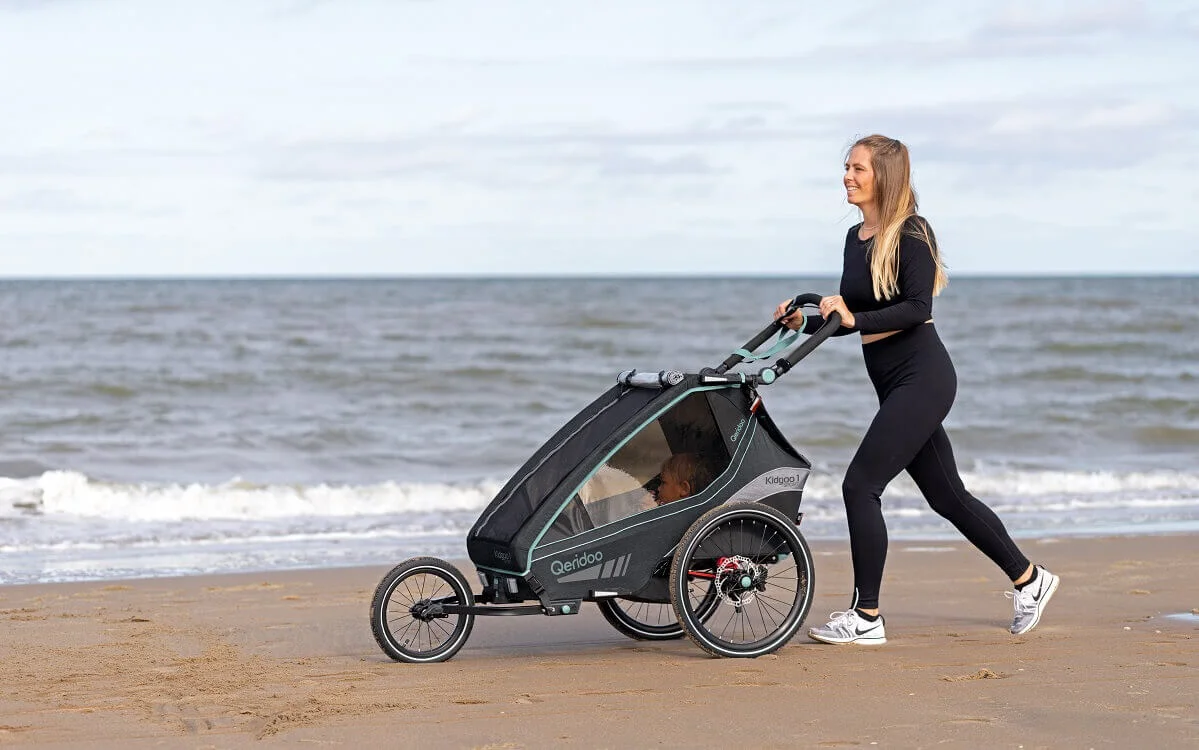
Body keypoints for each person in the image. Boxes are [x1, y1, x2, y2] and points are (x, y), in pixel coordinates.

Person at [774, 134, 1059, 645]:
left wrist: (851, 315)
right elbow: (856, 316)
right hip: (893, 382)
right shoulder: (856, 236)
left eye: (858, 168)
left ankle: (866, 616)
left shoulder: (912, 232)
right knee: (947, 496)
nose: (848, 175)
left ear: (884, 175)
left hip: (923, 377)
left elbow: (915, 308)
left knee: (859, 486)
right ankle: (1030, 579)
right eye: (847, 166)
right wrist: (808, 316)